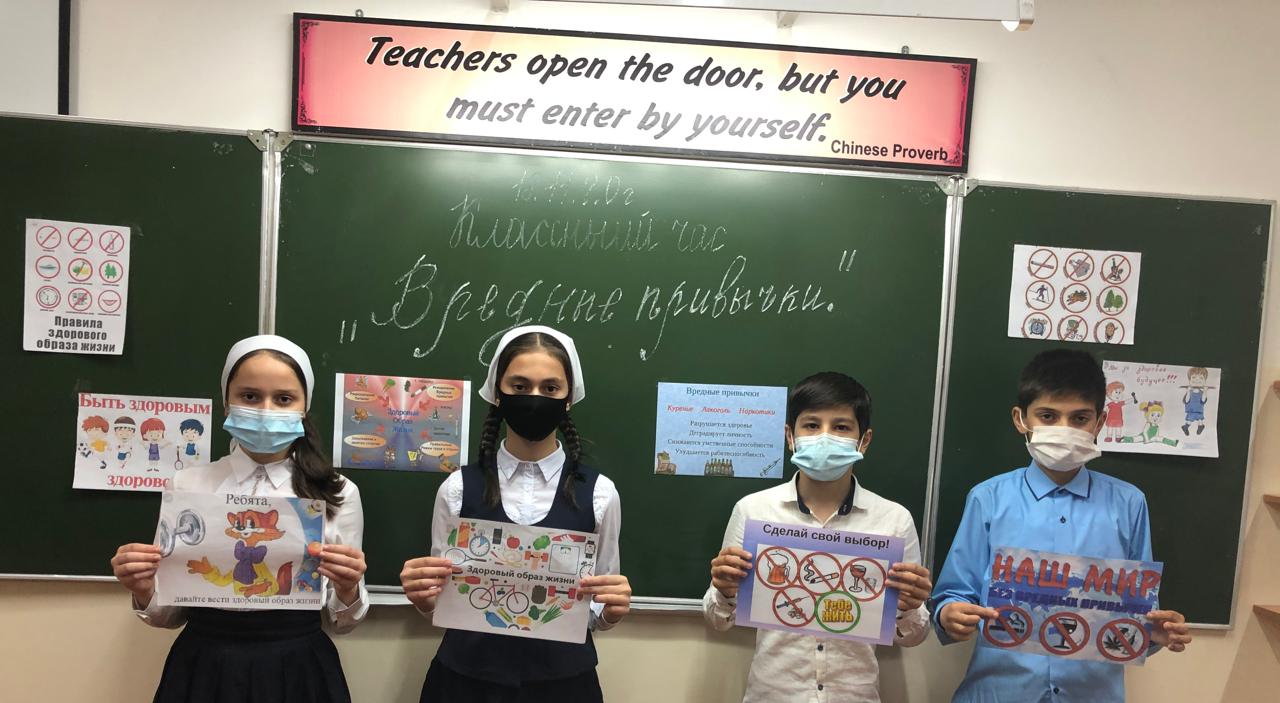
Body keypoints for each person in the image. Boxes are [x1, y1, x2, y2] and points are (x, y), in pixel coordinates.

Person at [109, 335, 369, 703]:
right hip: (205, 665)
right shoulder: (189, 485)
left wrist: (348, 588)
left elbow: (341, 622)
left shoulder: (337, 492)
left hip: (298, 667)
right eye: (249, 396)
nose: (265, 410)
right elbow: (168, 614)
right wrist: (142, 587)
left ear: (304, 407)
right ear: (226, 402)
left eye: (283, 399)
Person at [930, 349, 1191, 702]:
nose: (1063, 429)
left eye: (1079, 418)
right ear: (1021, 419)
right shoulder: (988, 499)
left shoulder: (1129, 504)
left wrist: (1151, 633)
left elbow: (1137, 614)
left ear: (1099, 423)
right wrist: (949, 614)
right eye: (1048, 416)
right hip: (999, 692)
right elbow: (954, 594)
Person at [401, 325, 632, 702]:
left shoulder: (600, 494)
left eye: (550, 388)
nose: (535, 398)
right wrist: (425, 597)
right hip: (466, 683)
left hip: (563, 687)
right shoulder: (457, 489)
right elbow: (444, 602)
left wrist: (611, 610)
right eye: (520, 386)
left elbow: (596, 606)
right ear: (497, 393)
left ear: (568, 399)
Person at [704, 371, 934, 702]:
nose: (825, 437)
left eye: (841, 427)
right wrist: (724, 590)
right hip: (773, 695)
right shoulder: (753, 511)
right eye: (811, 425)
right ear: (790, 436)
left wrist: (910, 608)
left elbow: (912, 636)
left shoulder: (894, 520)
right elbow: (717, 620)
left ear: (864, 440)